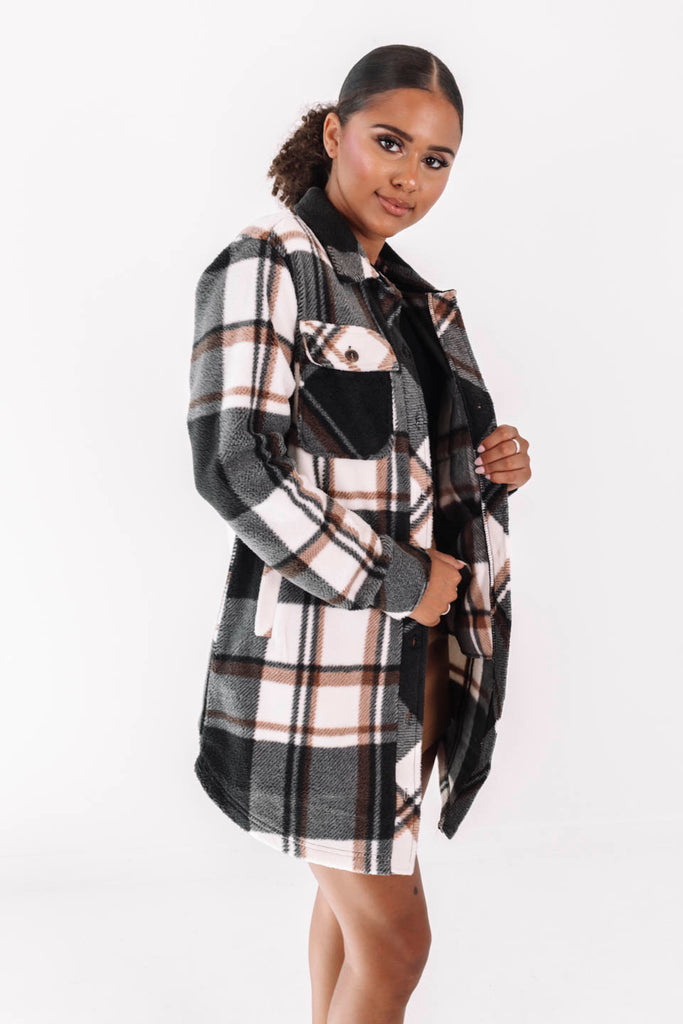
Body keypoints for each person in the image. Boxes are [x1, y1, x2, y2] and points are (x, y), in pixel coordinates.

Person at [187, 43, 531, 1024]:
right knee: (397, 940)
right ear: (334, 132)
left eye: (434, 159)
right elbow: (232, 464)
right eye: (389, 142)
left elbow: (385, 461)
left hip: (410, 660)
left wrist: (487, 463)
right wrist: (397, 580)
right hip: (323, 669)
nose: (408, 176)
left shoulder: (408, 299)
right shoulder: (267, 263)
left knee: (352, 914)